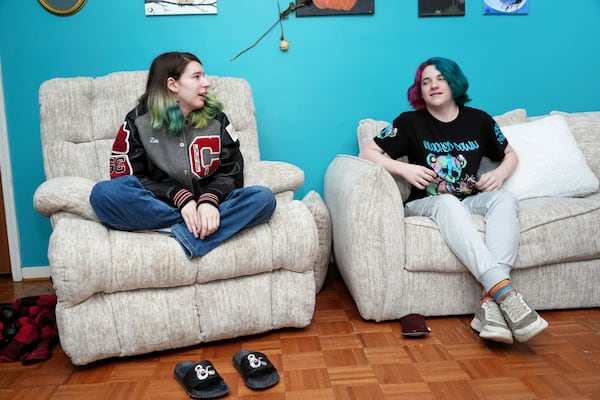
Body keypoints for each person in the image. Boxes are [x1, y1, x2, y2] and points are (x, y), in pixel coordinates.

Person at [359, 56, 548, 344]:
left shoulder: (480, 120)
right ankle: (506, 293)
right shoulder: (409, 122)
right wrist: (404, 168)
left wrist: (500, 174)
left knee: (504, 198)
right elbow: (367, 153)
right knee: (447, 202)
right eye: (425, 81)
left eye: (440, 78)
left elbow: (511, 155)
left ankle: (491, 302)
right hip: (426, 203)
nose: (433, 85)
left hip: (469, 199)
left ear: (454, 82)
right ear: (419, 90)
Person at [90, 51, 276, 259]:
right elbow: (128, 178)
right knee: (103, 194)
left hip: (212, 206)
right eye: (197, 77)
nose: (207, 83)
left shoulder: (218, 120)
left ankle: (178, 232)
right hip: (161, 205)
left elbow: (232, 171)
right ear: (173, 85)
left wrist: (209, 200)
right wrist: (182, 198)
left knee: (264, 199)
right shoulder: (138, 121)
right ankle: (192, 226)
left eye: (203, 76)